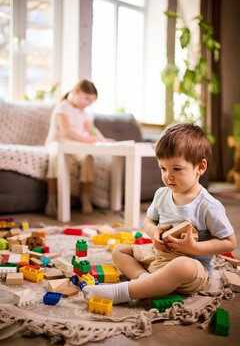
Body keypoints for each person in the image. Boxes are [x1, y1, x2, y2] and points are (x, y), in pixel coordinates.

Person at [83, 123, 236, 304]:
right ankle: (145, 282)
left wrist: (193, 248)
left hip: (191, 266)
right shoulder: (162, 194)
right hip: (158, 255)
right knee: (119, 250)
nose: (168, 176)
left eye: (176, 169)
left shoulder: (208, 205)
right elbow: (149, 220)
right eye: (163, 168)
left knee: (182, 266)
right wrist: (153, 232)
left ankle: (123, 293)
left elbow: (229, 243)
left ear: (200, 167)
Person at [45, 79, 113, 216]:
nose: (87, 103)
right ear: (76, 92)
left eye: (91, 101)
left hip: (74, 145)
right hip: (58, 142)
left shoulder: (83, 113)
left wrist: (103, 139)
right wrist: (88, 140)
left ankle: (85, 197)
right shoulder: (63, 106)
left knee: (88, 157)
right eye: (86, 98)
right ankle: (51, 200)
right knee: (56, 158)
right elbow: (66, 132)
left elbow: (92, 130)